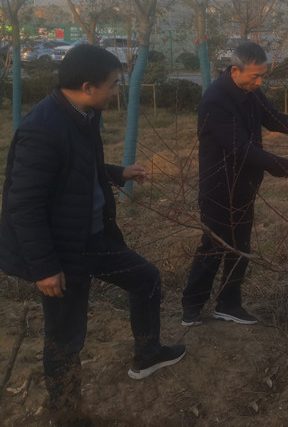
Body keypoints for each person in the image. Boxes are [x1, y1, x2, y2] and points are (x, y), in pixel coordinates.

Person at [0, 44, 185, 426]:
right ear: (88, 86)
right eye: (113, 84)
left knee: (147, 279)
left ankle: (148, 354)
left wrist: (118, 173)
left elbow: (79, 167)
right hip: (62, 253)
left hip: (94, 239)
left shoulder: (82, 114)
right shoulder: (42, 128)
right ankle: (66, 414)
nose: (116, 91)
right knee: (65, 338)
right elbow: (23, 205)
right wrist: (45, 267)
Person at [181, 41, 288, 327]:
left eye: (262, 75)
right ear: (235, 70)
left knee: (241, 247)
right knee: (214, 247)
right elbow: (241, 149)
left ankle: (229, 304)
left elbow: (274, 118)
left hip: (245, 184)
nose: (260, 81)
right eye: (255, 76)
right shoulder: (216, 101)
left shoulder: (250, 91)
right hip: (219, 188)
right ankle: (191, 305)